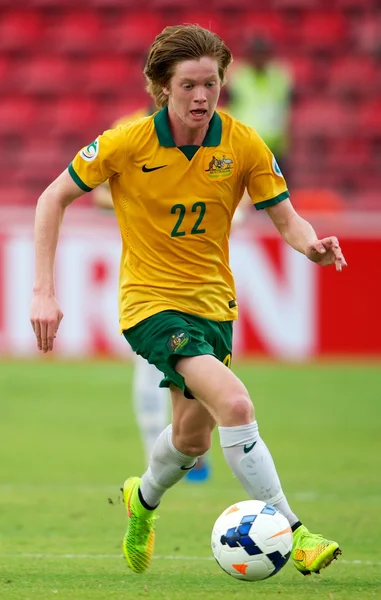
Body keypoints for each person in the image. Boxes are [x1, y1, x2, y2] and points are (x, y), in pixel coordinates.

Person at [30, 24, 347, 577]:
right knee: (237, 405)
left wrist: (311, 246)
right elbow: (52, 197)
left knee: (190, 439)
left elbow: (288, 219)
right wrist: (44, 290)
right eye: (189, 87)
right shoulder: (128, 142)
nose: (201, 97)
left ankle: (141, 500)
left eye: (212, 85)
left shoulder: (245, 143)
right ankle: (295, 534)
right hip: (150, 306)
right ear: (162, 88)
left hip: (214, 307)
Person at [93, 107, 211, 482]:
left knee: (205, 366)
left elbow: (238, 189)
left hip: (201, 272)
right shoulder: (128, 130)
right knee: (149, 367)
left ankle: (188, 448)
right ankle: (155, 459)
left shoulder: (217, 130)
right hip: (148, 272)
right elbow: (97, 194)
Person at [227, 36, 292, 176]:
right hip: (245, 144)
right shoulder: (238, 75)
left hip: (274, 145)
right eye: (255, 54)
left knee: (275, 191)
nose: (259, 58)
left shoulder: (280, 76)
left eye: (262, 53)